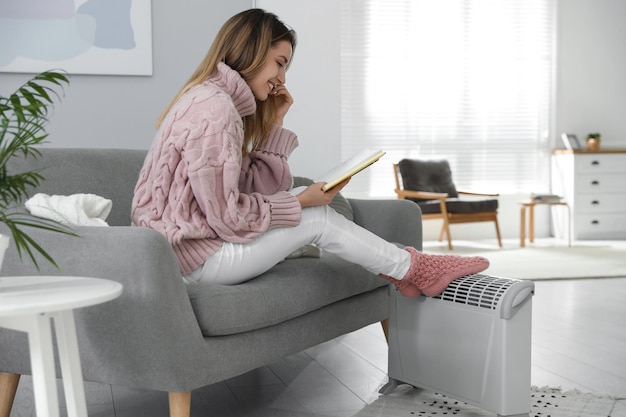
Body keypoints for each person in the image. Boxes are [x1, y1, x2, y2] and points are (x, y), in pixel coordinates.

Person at [131, 8, 489, 298]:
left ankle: (407, 272)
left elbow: (251, 194)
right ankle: (416, 270)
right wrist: (301, 202)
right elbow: (230, 219)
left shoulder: (213, 100)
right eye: (280, 63)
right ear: (252, 51)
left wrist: (273, 124)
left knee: (312, 211)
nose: (282, 79)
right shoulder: (215, 109)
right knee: (317, 217)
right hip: (191, 262)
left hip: (186, 253)